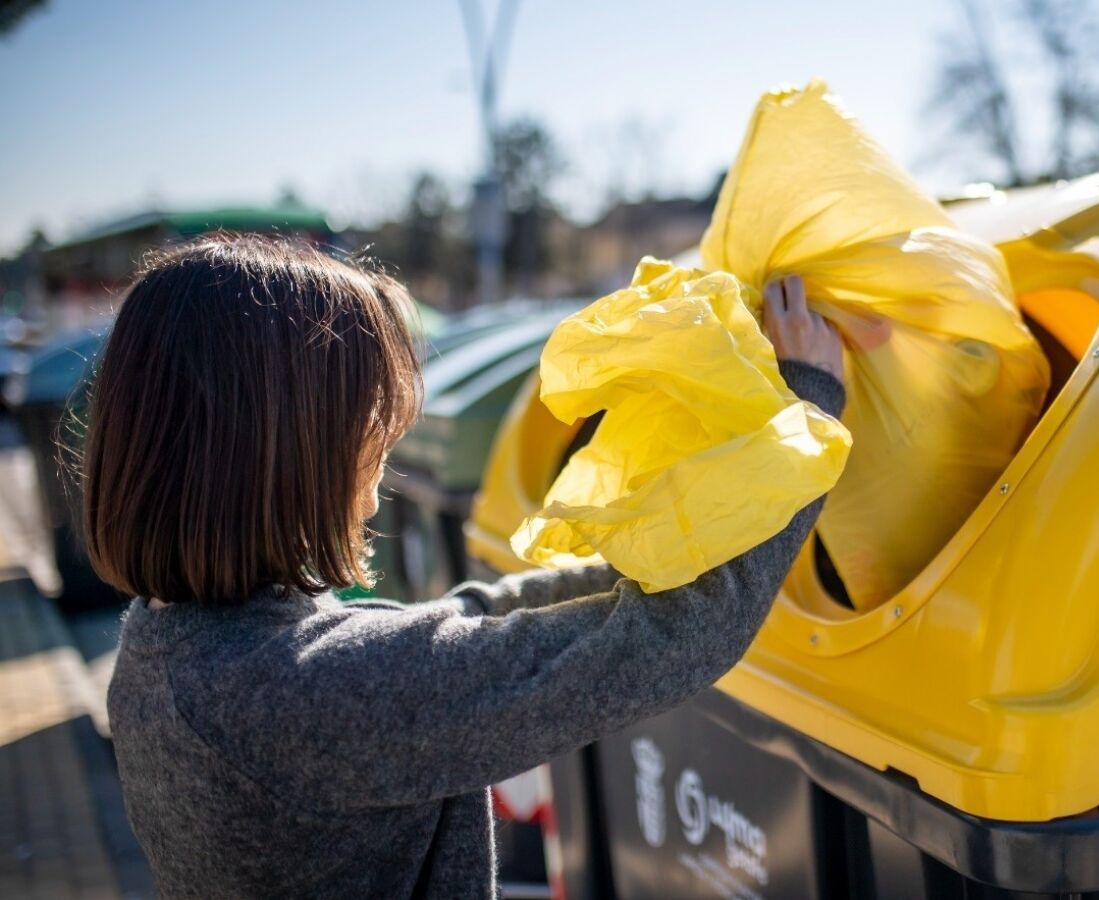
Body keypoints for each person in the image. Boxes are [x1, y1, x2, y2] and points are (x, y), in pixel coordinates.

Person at [88, 235, 845, 898]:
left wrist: (642, 559)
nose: (382, 456)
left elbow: (464, 624)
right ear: (284, 448)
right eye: (370, 421)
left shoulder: (166, 650)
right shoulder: (307, 699)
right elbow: (681, 636)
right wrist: (809, 403)